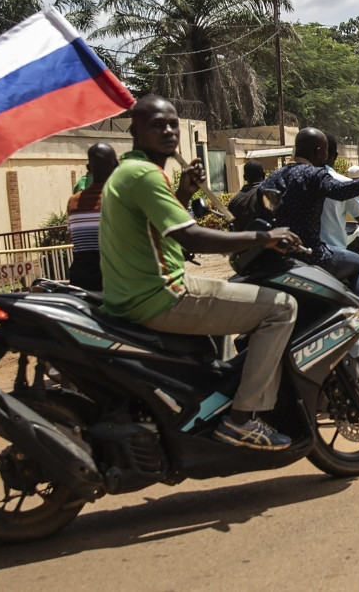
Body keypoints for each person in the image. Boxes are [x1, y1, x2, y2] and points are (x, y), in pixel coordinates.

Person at [99, 95, 302, 450]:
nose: (167, 130)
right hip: (163, 295)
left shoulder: (131, 172)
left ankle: (216, 403)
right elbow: (190, 235)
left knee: (227, 307)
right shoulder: (145, 175)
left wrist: (182, 191)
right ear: (135, 131)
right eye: (156, 124)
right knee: (282, 307)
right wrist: (264, 237)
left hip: (136, 294)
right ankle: (242, 418)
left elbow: (155, 228)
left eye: (172, 123)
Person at [260, 129, 359, 321]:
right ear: (320, 150)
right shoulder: (314, 175)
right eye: (326, 151)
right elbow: (344, 190)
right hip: (315, 255)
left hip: (279, 259)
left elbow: (262, 212)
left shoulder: (273, 178)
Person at [319, 135, 359, 317]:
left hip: (299, 256)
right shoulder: (343, 184)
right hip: (330, 253)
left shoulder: (291, 181)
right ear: (332, 155)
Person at [67, 142, 119, 292]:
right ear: (116, 165)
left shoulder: (73, 202)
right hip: (115, 284)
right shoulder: (120, 199)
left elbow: (73, 237)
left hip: (80, 282)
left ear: (89, 168)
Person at [227, 160, 266, 232]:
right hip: (265, 241)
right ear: (264, 175)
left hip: (241, 241)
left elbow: (231, 226)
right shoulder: (269, 196)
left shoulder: (234, 200)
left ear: (244, 177)